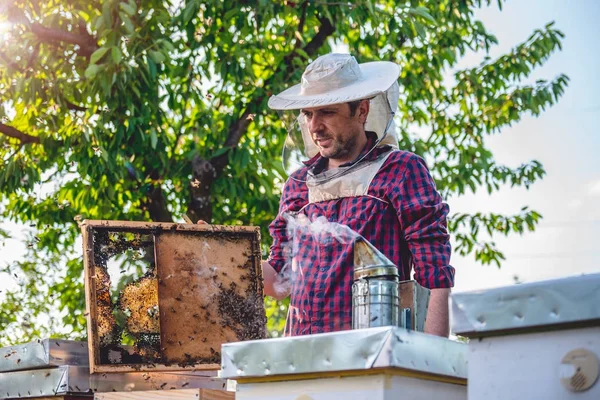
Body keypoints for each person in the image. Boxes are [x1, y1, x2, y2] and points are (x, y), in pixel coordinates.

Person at [261, 53, 455, 337]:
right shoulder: (298, 184)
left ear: (361, 111)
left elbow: (434, 274)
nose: (314, 126)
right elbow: (279, 279)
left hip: (375, 354)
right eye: (308, 114)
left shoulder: (400, 170)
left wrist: (433, 363)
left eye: (327, 112)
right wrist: (218, 259)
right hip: (303, 356)